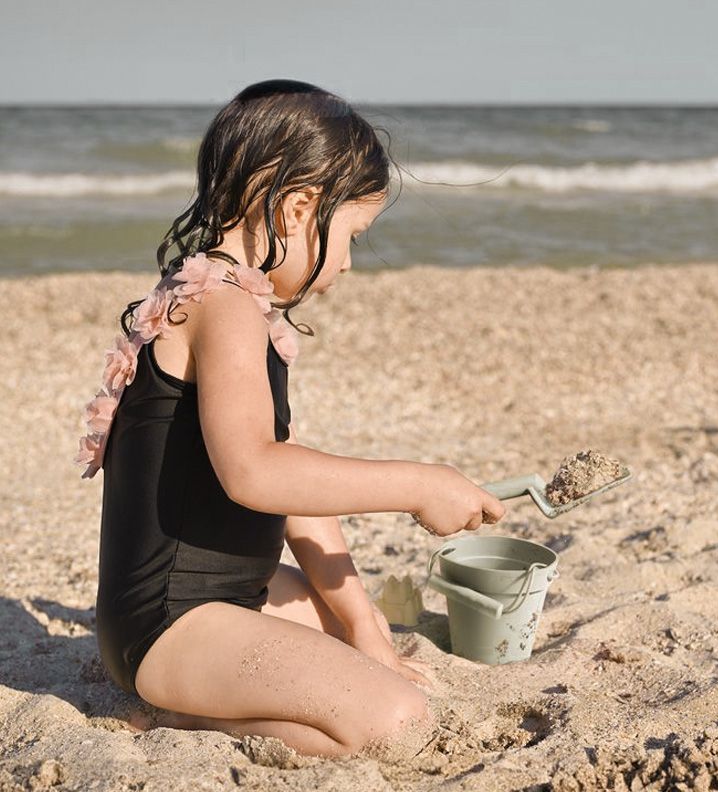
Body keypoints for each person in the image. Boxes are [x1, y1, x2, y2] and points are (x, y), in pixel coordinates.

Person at [76, 79, 506, 759]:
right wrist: (419, 485)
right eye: (353, 238)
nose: (348, 265)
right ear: (299, 208)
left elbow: (295, 490)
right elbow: (256, 472)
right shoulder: (221, 307)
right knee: (396, 721)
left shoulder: (237, 303)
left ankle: (217, 690)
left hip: (224, 593)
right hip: (169, 622)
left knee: (344, 636)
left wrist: (362, 619)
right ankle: (179, 720)